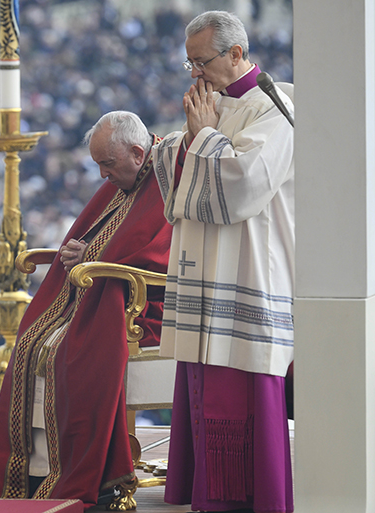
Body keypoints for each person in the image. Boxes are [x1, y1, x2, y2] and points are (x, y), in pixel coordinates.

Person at [0, 111, 172, 510]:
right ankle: (34, 472)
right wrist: (87, 253)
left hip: (143, 310)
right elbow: (96, 234)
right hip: (99, 292)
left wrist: (93, 255)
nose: (102, 176)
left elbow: (162, 255)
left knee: (71, 351)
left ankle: (84, 472)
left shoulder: (167, 175)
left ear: (136, 152)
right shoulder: (128, 175)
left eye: (107, 165)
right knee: (31, 342)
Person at [151, 11, 294, 513]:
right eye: (188, 62)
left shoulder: (276, 107)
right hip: (209, 271)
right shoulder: (212, 104)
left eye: (202, 61)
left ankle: (254, 497)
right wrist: (188, 140)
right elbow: (176, 160)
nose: (194, 73)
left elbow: (243, 185)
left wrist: (204, 137)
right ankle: (208, 492)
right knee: (202, 382)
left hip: (250, 270)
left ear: (236, 53)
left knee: (244, 388)